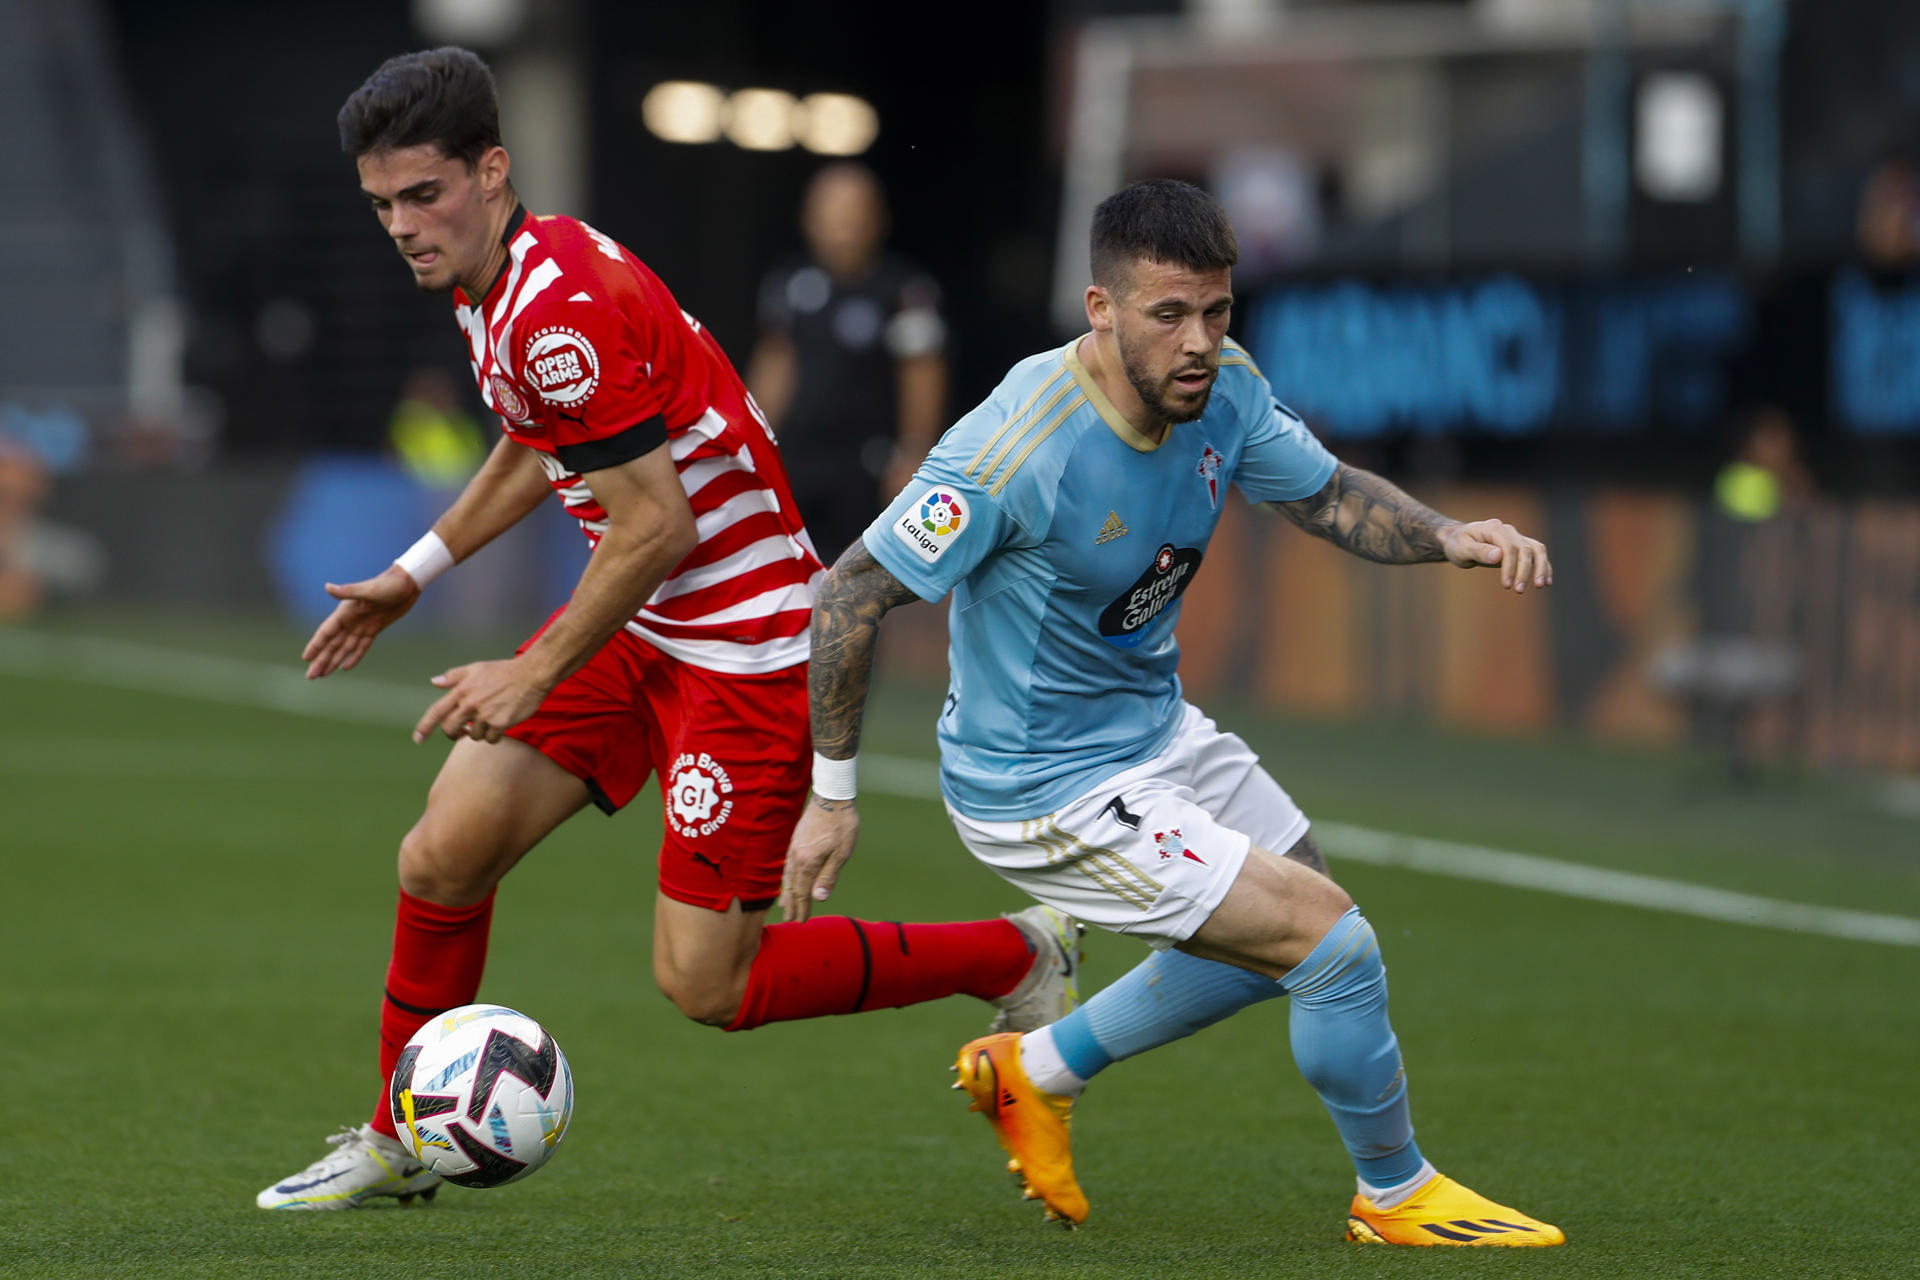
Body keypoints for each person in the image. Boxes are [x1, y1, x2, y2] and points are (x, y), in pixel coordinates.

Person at [256, 47, 1080, 1211]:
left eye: (423, 194)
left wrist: (532, 668)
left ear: (492, 171)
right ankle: (407, 1135)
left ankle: (1018, 951)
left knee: (710, 982)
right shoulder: (500, 283)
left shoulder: (559, 308)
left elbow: (657, 522)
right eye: (382, 204)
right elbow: (539, 441)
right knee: (441, 853)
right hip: (648, 621)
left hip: (748, 650)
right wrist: (416, 569)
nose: (402, 224)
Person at [783, 179, 1566, 1246]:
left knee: (1294, 915)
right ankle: (1396, 1191)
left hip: (1153, 731)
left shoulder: (1224, 386)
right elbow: (848, 594)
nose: (1199, 342)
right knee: (1331, 943)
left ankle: (1035, 1068)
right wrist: (832, 798)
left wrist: (1447, 534)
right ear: (1099, 310)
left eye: (1217, 310)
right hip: (1040, 786)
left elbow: (1326, 493)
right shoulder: (1015, 448)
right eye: (1169, 314)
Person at [746, 163, 948, 564]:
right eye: (832, 213)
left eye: (854, 213)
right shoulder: (789, 284)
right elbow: (774, 366)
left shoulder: (906, 290)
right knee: (786, 565)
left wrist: (914, 454)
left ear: (878, 219)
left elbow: (922, 376)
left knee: (856, 580)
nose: (843, 226)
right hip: (799, 456)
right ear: (809, 218)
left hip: (868, 461)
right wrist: (750, 443)